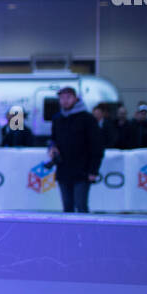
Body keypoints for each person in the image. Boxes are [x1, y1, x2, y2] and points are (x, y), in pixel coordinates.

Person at [48, 86, 103, 214]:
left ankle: (85, 233)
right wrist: (52, 148)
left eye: (68, 97)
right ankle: (68, 234)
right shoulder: (57, 119)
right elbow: (53, 139)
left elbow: (97, 146)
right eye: (62, 98)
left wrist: (93, 170)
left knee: (81, 206)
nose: (65, 101)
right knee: (67, 207)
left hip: (82, 171)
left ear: (76, 98)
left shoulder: (87, 119)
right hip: (63, 170)